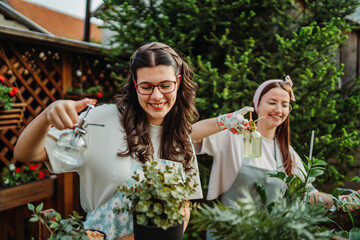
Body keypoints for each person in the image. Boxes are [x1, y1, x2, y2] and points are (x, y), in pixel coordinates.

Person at [14, 42, 203, 240]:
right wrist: (46, 116)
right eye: (146, 87)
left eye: (165, 85)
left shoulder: (180, 137)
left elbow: (184, 208)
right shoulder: (99, 121)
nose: (156, 96)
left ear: (178, 82)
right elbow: (25, 154)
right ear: (134, 85)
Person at [191, 76, 334, 239]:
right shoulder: (232, 137)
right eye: (272, 102)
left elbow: (309, 195)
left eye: (285, 105)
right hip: (226, 235)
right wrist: (223, 121)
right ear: (257, 105)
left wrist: (342, 201)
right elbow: (190, 135)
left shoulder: (287, 153)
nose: (279, 110)